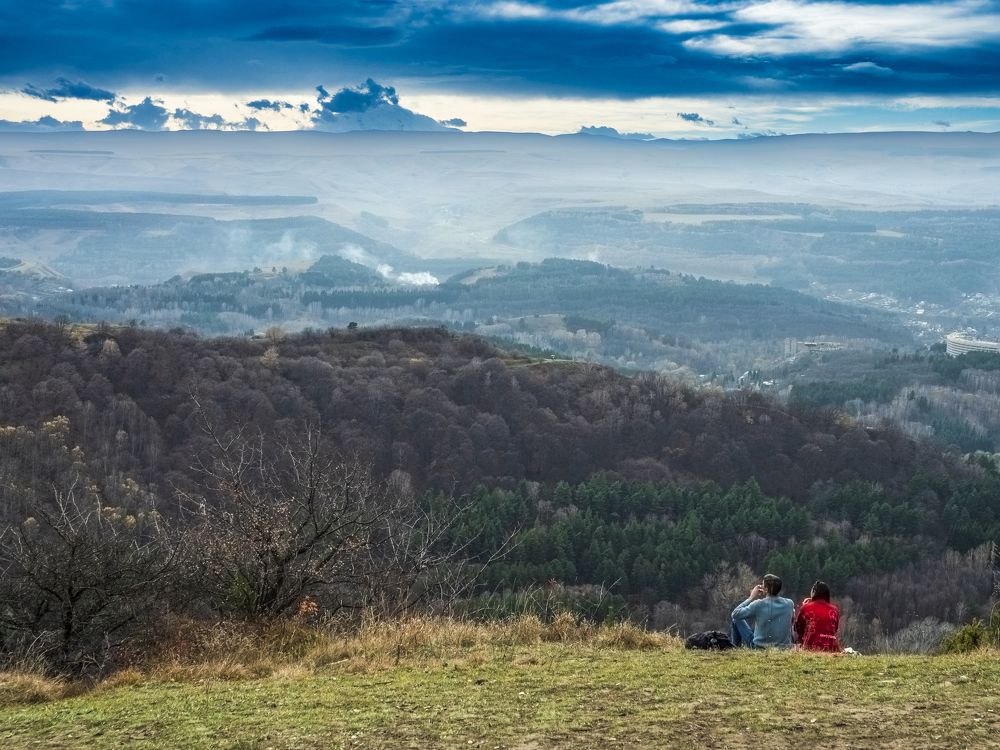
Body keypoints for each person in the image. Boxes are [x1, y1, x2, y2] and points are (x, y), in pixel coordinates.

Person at [730, 573, 794, 648]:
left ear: (766, 589)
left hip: (759, 647)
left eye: (763, 584)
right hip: (783, 648)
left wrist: (751, 597)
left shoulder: (758, 604)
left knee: (736, 620)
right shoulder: (789, 604)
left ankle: (735, 648)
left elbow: (735, 614)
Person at [793, 580, 842, 652]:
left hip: (811, 647)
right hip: (831, 648)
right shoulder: (834, 610)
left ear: (813, 593)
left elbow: (798, 628)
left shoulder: (806, 608)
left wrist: (804, 606)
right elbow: (835, 629)